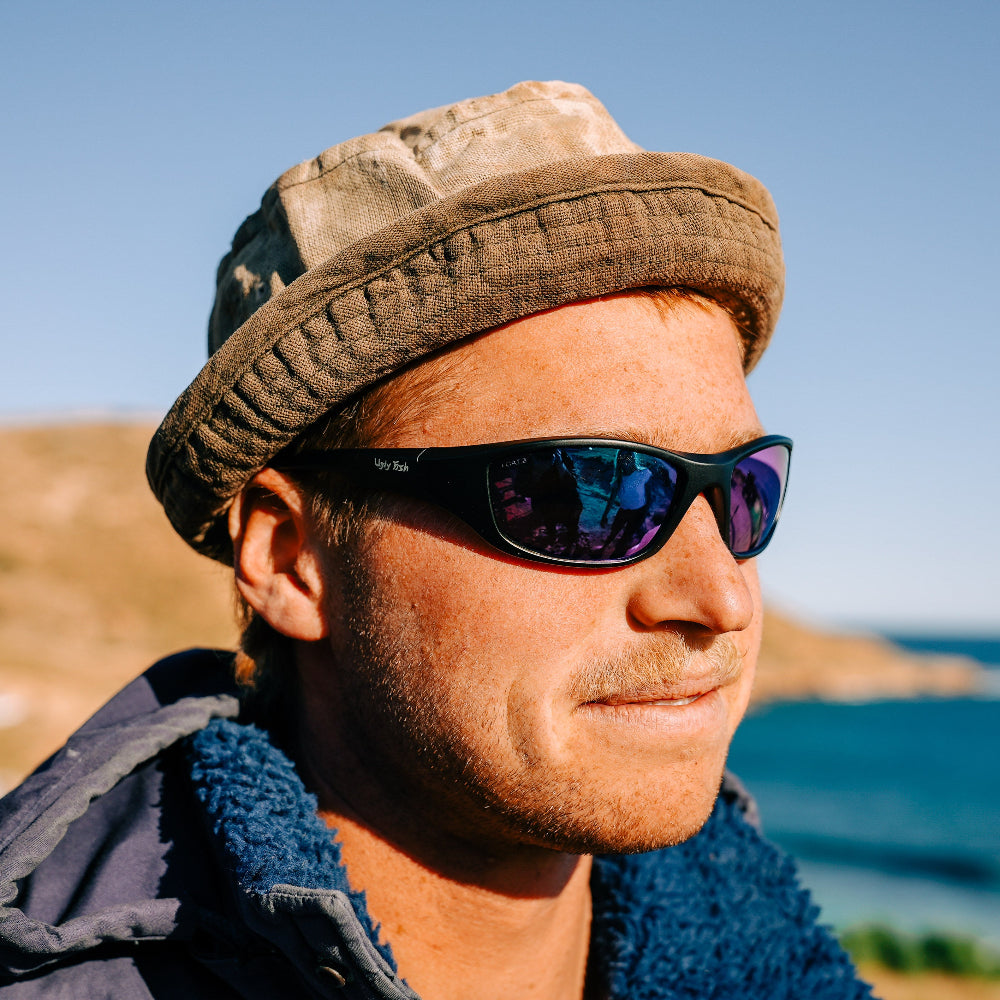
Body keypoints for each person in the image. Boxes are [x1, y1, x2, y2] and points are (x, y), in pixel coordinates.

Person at [0, 82, 872, 999]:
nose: (721, 597)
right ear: (291, 557)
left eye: (743, 492)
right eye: (585, 494)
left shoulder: (769, 962)